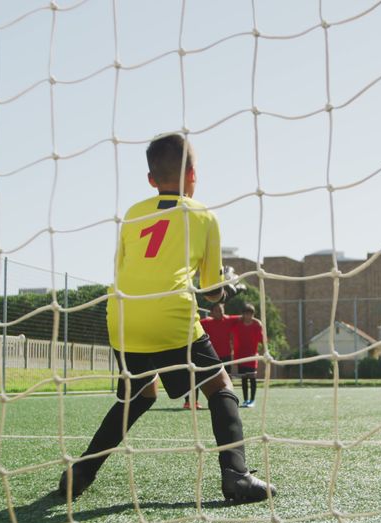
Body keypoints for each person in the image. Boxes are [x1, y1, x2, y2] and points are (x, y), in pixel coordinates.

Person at [56, 134, 275, 503]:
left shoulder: (132, 214)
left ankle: (81, 472)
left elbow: (129, 269)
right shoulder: (204, 215)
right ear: (194, 174)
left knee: (138, 396)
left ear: (151, 179)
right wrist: (228, 288)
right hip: (170, 317)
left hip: (122, 317)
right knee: (220, 385)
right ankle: (236, 475)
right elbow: (210, 292)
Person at [195, 303, 237, 410]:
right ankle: (193, 402)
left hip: (226, 356)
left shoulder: (229, 320)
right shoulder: (205, 322)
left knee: (227, 380)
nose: (221, 312)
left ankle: (227, 403)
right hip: (211, 357)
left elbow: (244, 318)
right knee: (202, 379)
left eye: (222, 309)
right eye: (218, 310)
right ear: (212, 312)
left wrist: (258, 321)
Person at [232, 303, 265, 408]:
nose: (248, 316)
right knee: (244, 379)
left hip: (252, 356)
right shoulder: (238, 325)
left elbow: (262, 340)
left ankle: (252, 400)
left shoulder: (256, 326)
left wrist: (265, 352)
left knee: (252, 378)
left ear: (253, 315)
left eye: (250, 314)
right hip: (241, 356)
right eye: (246, 314)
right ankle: (245, 400)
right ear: (243, 314)